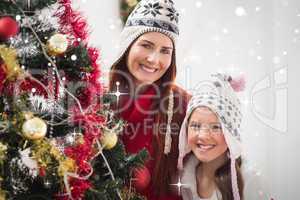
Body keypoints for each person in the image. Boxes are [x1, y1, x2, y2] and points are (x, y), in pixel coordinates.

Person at [109, 0, 190, 199]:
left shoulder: (184, 104)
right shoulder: (97, 100)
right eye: (146, 45)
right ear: (128, 45)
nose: (154, 59)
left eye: (165, 51)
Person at [177, 73, 245, 200]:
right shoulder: (184, 176)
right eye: (195, 126)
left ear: (231, 134)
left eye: (216, 127)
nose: (203, 135)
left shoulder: (250, 179)